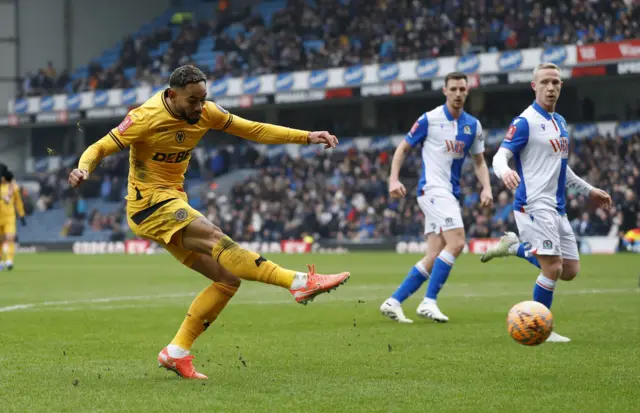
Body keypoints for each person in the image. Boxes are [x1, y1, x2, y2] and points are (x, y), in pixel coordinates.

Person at [68, 65, 350, 379]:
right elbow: (100, 147)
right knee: (215, 236)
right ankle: (298, 283)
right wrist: (84, 169)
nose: (200, 107)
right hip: (149, 204)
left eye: (203, 99)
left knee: (228, 279)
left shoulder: (206, 112)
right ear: (172, 95)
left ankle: (176, 352)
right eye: (192, 100)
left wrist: (307, 137)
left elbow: (253, 129)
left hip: (171, 201)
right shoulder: (144, 117)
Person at [481, 62, 612, 342]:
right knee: (552, 267)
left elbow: (563, 170)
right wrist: (505, 172)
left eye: (556, 82)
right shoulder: (525, 121)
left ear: (561, 86)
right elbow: (499, 156)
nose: (551, 87)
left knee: (570, 271)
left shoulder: (560, 122)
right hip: (533, 204)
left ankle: (514, 247)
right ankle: (539, 325)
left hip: (557, 207)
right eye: (545, 83)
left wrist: (590, 190)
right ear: (534, 86)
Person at [379, 72, 493, 324]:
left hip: (449, 193)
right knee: (458, 242)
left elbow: (479, 162)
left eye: (462, 89)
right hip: (432, 190)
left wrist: (486, 188)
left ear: (467, 92)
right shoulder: (429, 119)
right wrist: (393, 179)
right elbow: (403, 148)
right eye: (453, 89)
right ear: (445, 91)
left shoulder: (472, 126)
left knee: (434, 254)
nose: (458, 93)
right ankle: (428, 302)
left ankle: (393, 301)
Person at [0, 166, 26, 271]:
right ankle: (1, 261)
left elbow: (18, 202)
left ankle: (9, 260)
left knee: (10, 237)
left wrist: (22, 214)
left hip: (9, 216)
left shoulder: (13, 187)